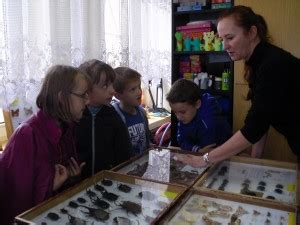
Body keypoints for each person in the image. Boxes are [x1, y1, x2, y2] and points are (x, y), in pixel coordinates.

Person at [174, 5, 300, 168]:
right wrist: (255, 161)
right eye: (222, 39)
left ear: (252, 33)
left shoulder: (272, 64)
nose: (225, 46)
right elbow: (262, 119)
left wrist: (204, 159)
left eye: (230, 38)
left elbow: (253, 128)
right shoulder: (258, 62)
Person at [0, 65, 90, 224]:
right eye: (83, 95)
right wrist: (50, 187)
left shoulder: (67, 126)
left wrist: (72, 179)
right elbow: (17, 202)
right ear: (62, 98)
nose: (88, 101)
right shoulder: (27, 135)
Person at [76, 59, 131, 179]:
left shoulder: (114, 117)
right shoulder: (74, 117)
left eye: (112, 84)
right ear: (87, 89)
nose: (112, 90)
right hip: (79, 185)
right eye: (105, 86)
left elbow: (124, 154)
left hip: (107, 182)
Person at [167, 79, 231, 152]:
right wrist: (197, 150)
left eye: (182, 112)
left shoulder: (208, 121)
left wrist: (200, 152)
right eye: (175, 112)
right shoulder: (186, 116)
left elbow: (209, 152)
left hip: (224, 154)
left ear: (197, 104)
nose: (178, 117)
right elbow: (182, 140)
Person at [113, 67, 151, 156]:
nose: (139, 92)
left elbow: (147, 141)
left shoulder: (142, 113)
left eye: (139, 86)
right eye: (133, 89)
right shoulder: (116, 117)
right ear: (118, 95)